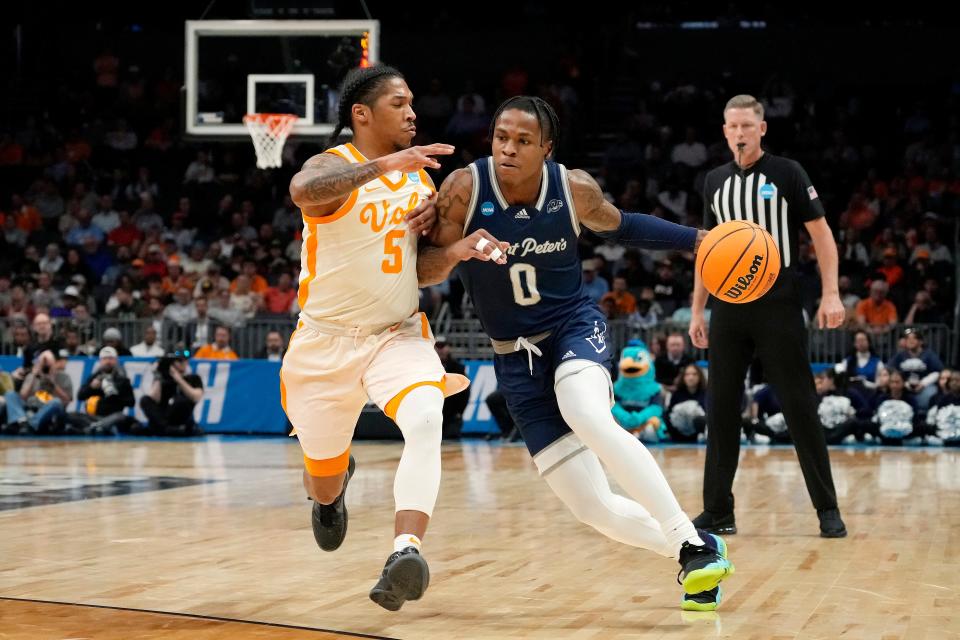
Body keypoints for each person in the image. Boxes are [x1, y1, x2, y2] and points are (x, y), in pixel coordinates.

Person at [417, 95, 733, 612]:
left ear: (546, 148)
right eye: (501, 138)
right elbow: (423, 270)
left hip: (571, 329)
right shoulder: (464, 189)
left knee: (586, 412)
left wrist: (697, 239)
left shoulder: (573, 188)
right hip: (514, 359)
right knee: (594, 509)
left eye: (523, 141)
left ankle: (688, 537)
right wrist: (454, 252)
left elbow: (625, 225)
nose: (509, 149)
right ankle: (696, 550)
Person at [283, 64, 489, 611]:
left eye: (412, 102)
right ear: (362, 114)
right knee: (322, 480)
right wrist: (383, 166)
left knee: (426, 417)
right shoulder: (335, 165)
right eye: (400, 103)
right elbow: (302, 190)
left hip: (395, 335)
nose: (413, 113)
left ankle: (405, 552)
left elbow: (418, 271)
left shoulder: (421, 182)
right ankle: (330, 492)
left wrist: (457, 253)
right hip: (324, 344)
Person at [690, 94, 847, 538]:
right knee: (720, 406)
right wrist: (698, 309)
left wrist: (830, 293)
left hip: (778, 300)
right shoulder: (714, 181)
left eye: (747, 126)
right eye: (732, 126)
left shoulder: (787, 173)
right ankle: (718, 510)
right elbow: (706, 250)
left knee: (798, 405)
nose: (739, 133)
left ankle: (827, 509)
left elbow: (823, 235)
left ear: (762, 129)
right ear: (724, 131)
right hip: (728, 306)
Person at [73, 346, 136, 435]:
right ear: (100, 361)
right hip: (94, 417)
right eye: (105, 359)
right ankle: (98, 427)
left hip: (113, 417)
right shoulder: (94, 377)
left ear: (116, 360)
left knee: (120, 417)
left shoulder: (122, 379)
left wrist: (116, 392)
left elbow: (131, 402)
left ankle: (93, 428)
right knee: (73, 415)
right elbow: (80, 396)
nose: (108, 361)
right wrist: (91, 387)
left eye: (110, 358)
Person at [139, 349, 204, 436]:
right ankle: (166, 429)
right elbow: (154, 399)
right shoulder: (163, 378)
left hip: (181, 416)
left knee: (180, 400)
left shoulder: (194, 378)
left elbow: (196, 397)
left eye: (185, 360)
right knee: (145, 400)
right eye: (179, 361)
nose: (183, 363)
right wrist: (158, 376)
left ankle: (163, 430)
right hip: (163, 416)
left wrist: (178, 379)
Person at [886, 327, 943, 410]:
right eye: (908, 338)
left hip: (924, 386)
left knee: (930, 394)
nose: (910, 341)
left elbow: (938, 371)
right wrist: (904, 383)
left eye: (914, 338)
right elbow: (889, 368)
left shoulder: (928, 354)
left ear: (921, 341)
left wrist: (923, 383)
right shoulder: (901, 355)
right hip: (904, 386)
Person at [433, 336, 469, 438]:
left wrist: (459, 412)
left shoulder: (458, 368)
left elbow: (465, 393)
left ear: (448, 348)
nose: (440, 349)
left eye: (442, 346)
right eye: (437, 346)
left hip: (451, 416)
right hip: (431, 416)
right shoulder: (426, 368)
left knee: (451, 438)